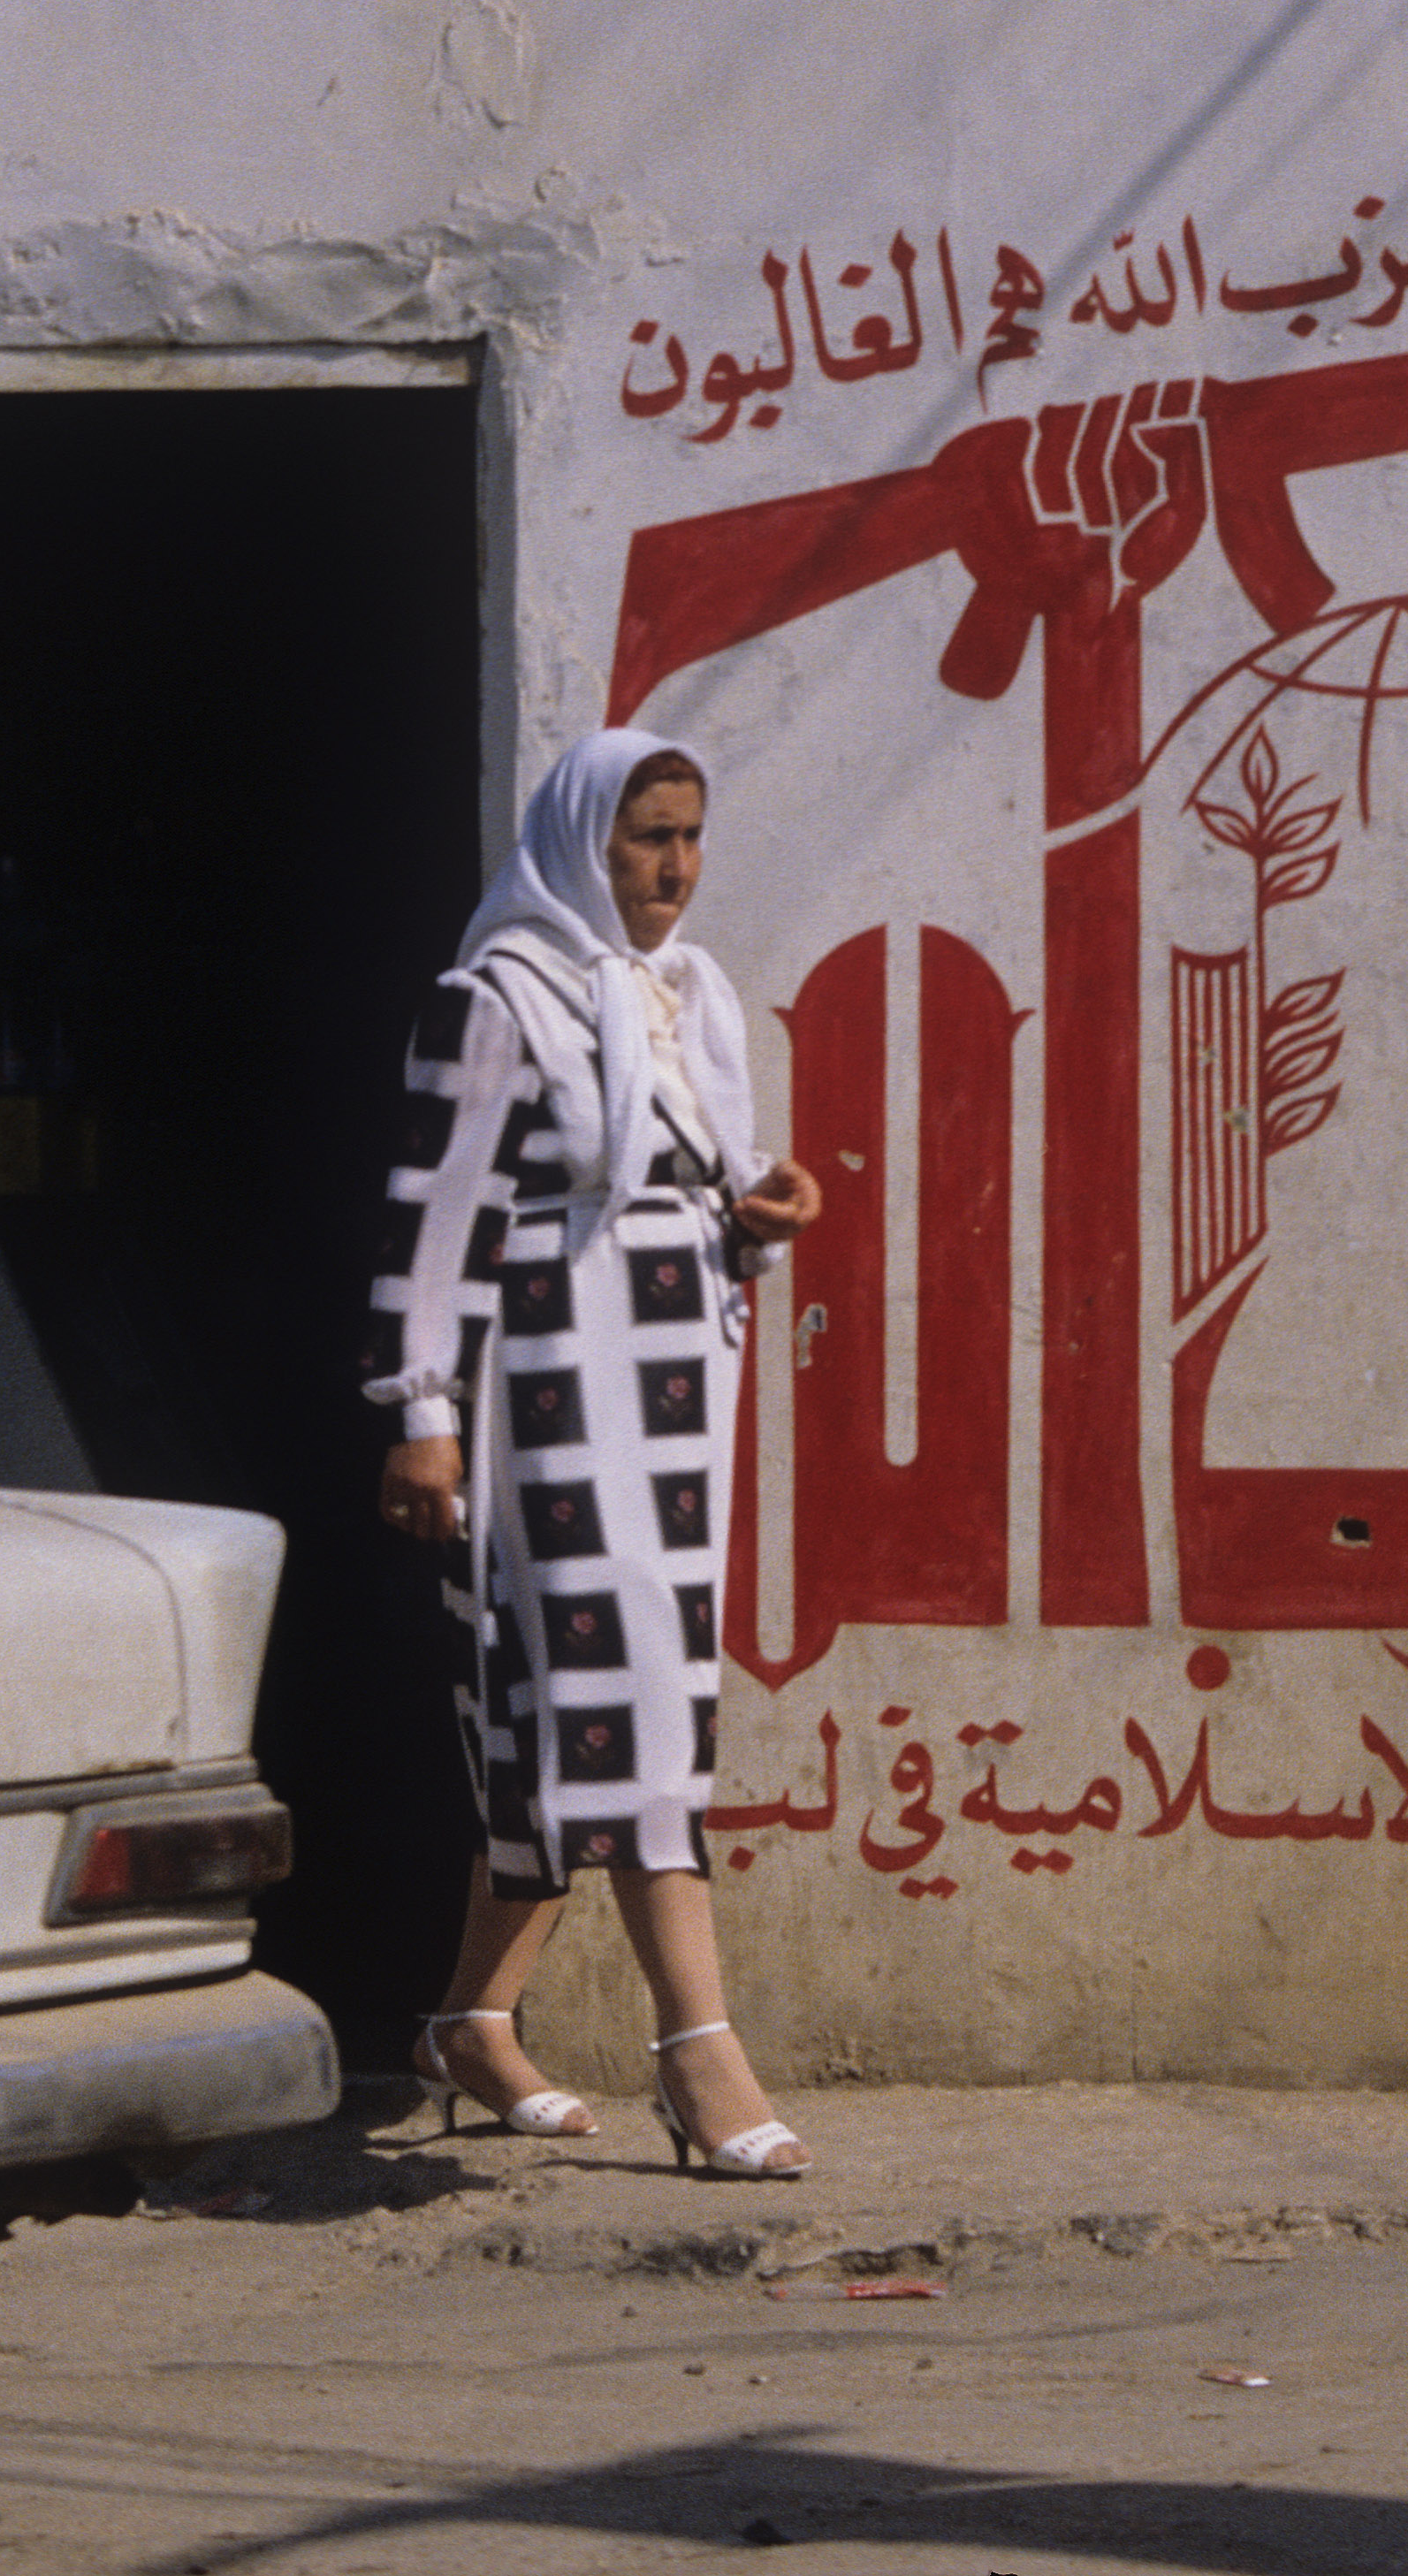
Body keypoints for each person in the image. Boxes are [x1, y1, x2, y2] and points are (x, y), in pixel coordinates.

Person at [365, 727, 825, 2177]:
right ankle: (698, 2048)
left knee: (574, 1709)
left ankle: (467, 2022)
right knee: (623, 1698)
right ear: (583, 843)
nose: (674, 870)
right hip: (552, 1387)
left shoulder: (678, 994)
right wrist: (421, 1415)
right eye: (646, 840)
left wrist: (756, 1215)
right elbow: (434, 1216)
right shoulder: (497, 998)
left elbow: (692, 1178)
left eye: (689, 838)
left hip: (674, 1390)